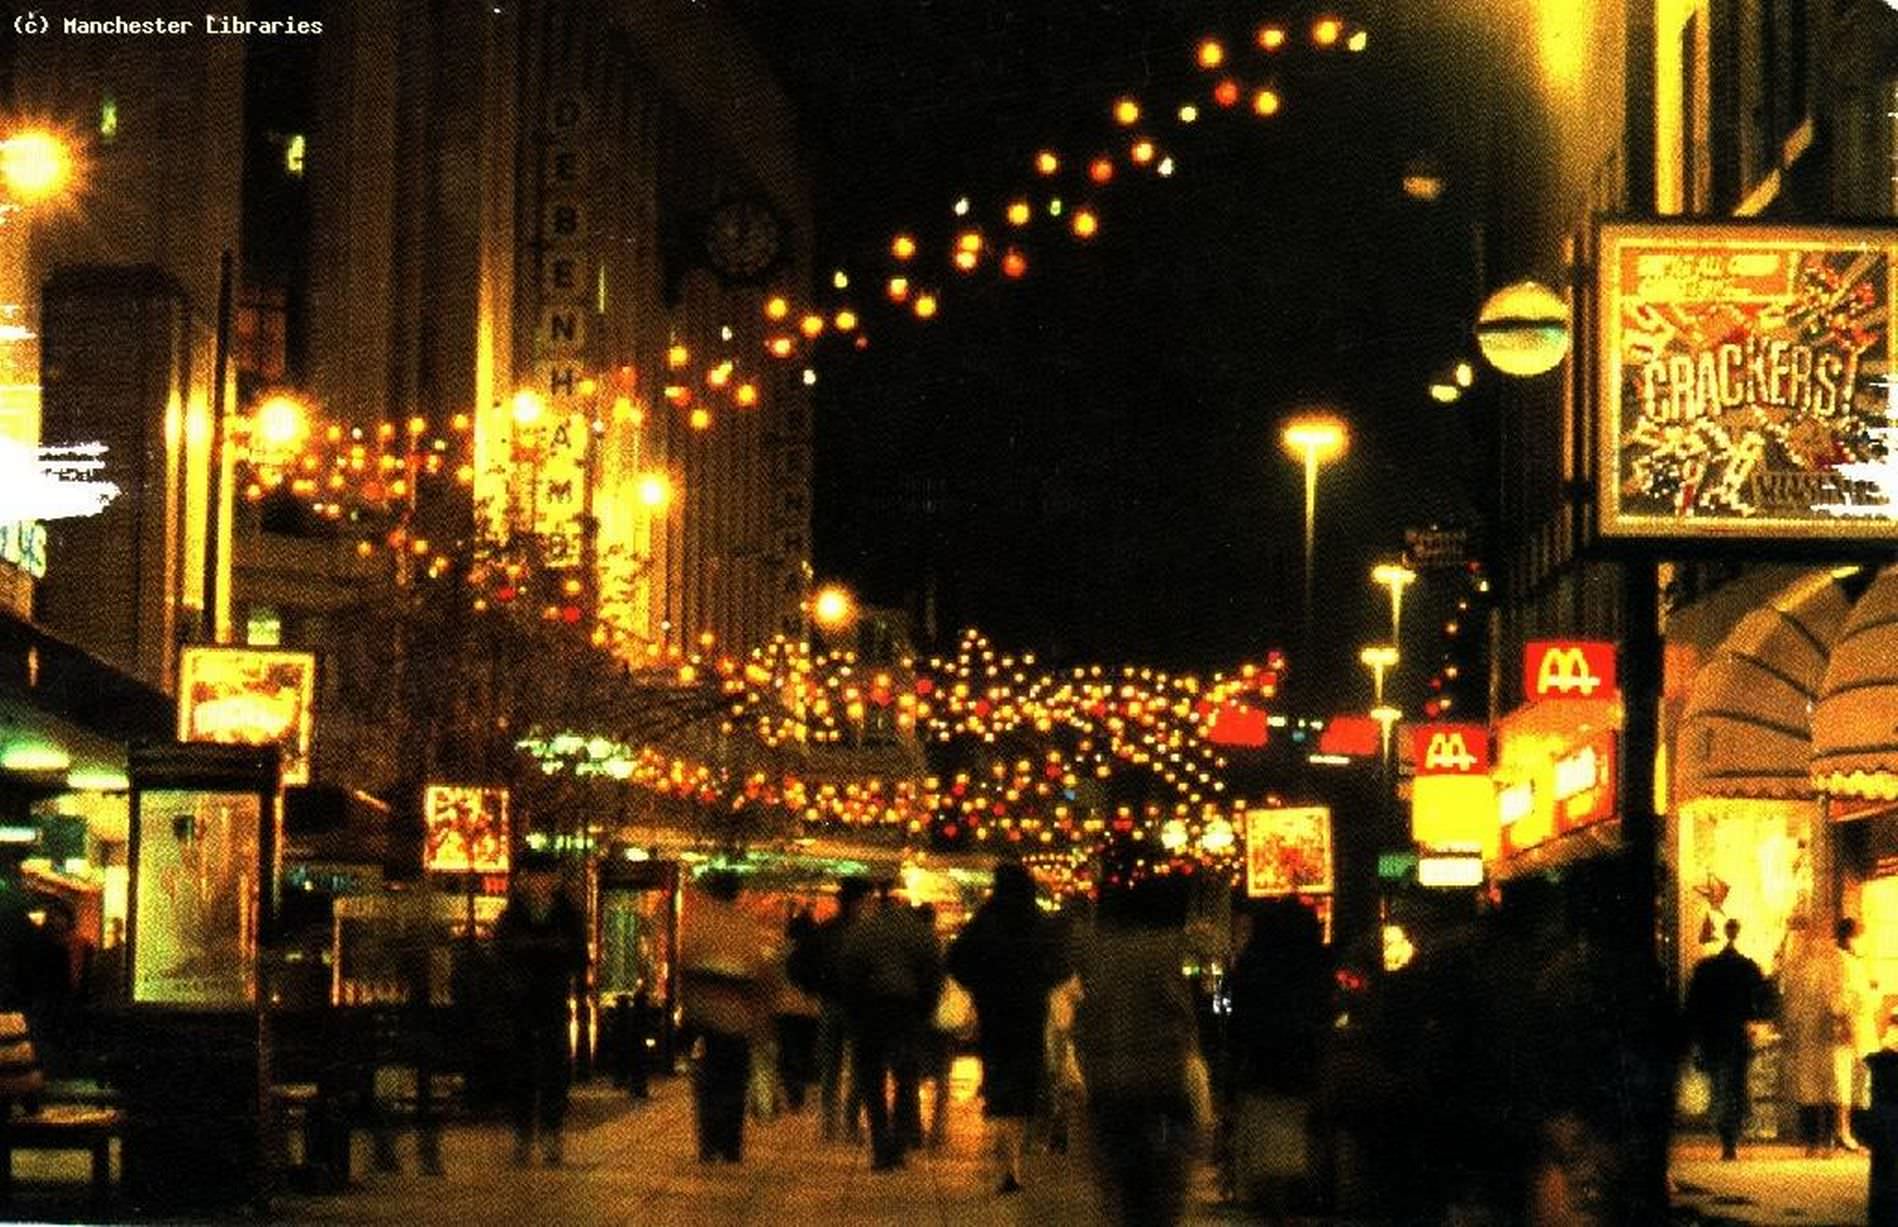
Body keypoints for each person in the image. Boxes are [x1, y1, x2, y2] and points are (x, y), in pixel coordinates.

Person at [1073, 875, 1201, 1226]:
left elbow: (1085, 1022)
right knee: (1161, 1180)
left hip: (1110, 1086)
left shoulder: (1098, 954)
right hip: (1159, 1086)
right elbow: (1181, 1016)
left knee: (1119, 1182)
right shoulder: (1168, 951)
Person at [947, 862, 1068, 1194]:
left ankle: (1006, 1161)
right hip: (1029, 1013)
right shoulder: (1037, 921)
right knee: (1024, 1085)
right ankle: (1013, 1159)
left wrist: (980, 985)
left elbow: (956, 959)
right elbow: (1058, 965)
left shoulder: (985, 920)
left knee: (999, 1081)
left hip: (994, 1011)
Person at [1227, 896, 1333, 1215]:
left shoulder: (1251, 965)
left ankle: (1275, 1205)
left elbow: (1237, 1022)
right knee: (1303, 1147)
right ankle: (1300, 1199)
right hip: (1305, 1067)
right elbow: (1324, 1013)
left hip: (1262, 1068)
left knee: (1269, 1155)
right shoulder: (1315, 966)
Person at [838, 880, 943, 1170]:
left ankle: (880, 1144)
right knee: (906, 1077)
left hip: (869, 1009)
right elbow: (934, 971)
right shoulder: (918, 932)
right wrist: (925, 1009)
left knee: (871, 1079)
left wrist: (854, 1009)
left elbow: (847, 971)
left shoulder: (862, 931)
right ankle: (898, 1141)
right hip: (906, 1009)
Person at [679, 870, 781, 1163]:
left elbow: (685, 967)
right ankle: (731, 1143)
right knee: (734, 1081)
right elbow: (760, 974)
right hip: (737, 1018)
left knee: (708, 1082)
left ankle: (709, 1142)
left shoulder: (697, 924)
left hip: (704, 1016)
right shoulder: (745, 927)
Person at [494, 851, 587, 1167]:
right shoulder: (513, 915)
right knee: (520, 1070)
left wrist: (535, 950)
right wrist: (549, 950)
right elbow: (503, 952)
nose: (541, 882)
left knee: (554, 1070)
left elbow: (577, 954)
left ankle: (550, 1132)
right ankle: (523, 1132)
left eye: (546, 875)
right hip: (520, 1002)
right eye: (535, 875)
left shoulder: (566, 914)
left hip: (552, 1000)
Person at [789, 875, 872, 1141]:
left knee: (831, 1066)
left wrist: (813, 988)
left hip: (830, 1004)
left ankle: (829, 1123)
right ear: (859, 902)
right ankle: (849, 1121)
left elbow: (797, 963)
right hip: (858, 1007)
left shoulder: (826, 931)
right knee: (859, 1065)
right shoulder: (864, 934)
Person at [1682, 918, 1765, 1160]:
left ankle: (1725, 1134)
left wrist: (1693, 1037)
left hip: (1713, 1034)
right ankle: (1731, 1138)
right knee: (1735, 1086)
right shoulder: (1747, 968)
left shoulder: (1706, 969)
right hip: (1735, 1035)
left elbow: (1693, 1005)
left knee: (1719, 1085)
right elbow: (1758, 1004)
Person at [774, 909, 821, 1113]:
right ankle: (802, 1093)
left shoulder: (782, 951)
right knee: (806, 1052)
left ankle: (793, 1092)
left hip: (784, 1009)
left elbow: (772, 980)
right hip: (811, 1011)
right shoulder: (815, 952)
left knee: (787, 1052)